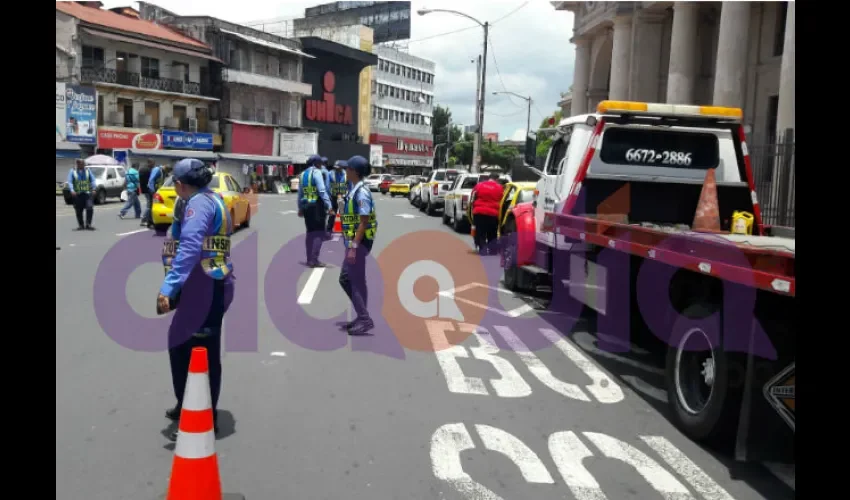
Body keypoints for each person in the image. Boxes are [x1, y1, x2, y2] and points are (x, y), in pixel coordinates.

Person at [156, 158, 234, 442]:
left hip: (206, 286)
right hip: (201, 284)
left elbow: (190, 246)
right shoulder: (205, 200)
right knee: (180, 345)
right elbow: (178, 240)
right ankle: (186, 403)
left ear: (179, 184)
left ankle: (203, 417)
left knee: (201, 353)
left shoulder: (200, 205)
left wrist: (169, 286)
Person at [339, 156, 377, 335]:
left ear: (354, 171)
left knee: (346, 278)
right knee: (357, 280)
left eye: (348, 169)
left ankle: (364, 317)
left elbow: (363, 221)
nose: (345, 171)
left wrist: (353, 247)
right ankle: (362, 315)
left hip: (359, 242)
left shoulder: (361, 192)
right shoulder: (354, 190)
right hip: (355, 240)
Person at [297, 154, 332, 267]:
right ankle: (314, 260)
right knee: (318, 233)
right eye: (320, 163)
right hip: (317, 206)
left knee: (310, 232)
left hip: (306, 205)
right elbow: (322, 191)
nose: (321, 165)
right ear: (316, 163)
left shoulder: (302, 174)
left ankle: (309, 259)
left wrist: (300, 208)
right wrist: (329, 205)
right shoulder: (317, 172)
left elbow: (300, 193)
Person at [470, 172, 504, 255]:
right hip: (492, 214)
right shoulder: (499, 187)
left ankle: (483, 249)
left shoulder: (479, 185)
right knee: (492, 232)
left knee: (480, 232)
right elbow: (501, 199)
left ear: (489, 178)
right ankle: (492, 250)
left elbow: (472, 197)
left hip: (479, 212)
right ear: (497, 179)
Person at [66, 159, 97, 231]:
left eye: (84, 164)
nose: (83, 165)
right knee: (78, 210)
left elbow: (92, 180)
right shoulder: (72, 171)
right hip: (77, 194)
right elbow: (70, 182)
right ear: (77, 164)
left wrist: (94, 189)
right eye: (82, 164)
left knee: (90, 208)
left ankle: (88, 224)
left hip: (87, 194)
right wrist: (72, 190)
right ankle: (81, 225)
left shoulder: (87, 170)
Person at [326, 160, 348, 235]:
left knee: (343, 214)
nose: (336, 169)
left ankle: (344, 230)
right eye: (335, 167)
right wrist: (329, 196)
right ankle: (329, 230)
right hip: (334, 197)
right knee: (332, 214)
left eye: (338, 167)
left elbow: (351, 186)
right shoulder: (330, 174)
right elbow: (327, 186)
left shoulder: (346, 174)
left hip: (343, 197)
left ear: (341, 167)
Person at [139, 160, 154, 227]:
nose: (153, 165)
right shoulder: (148, 170)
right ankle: (143, 220)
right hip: (148, 190)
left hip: (144, 189)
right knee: (149, 206)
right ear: (149, 163)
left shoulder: (142, 169)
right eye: (153, 163)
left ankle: (148, 220)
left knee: (149, 206)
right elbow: (150, 181)